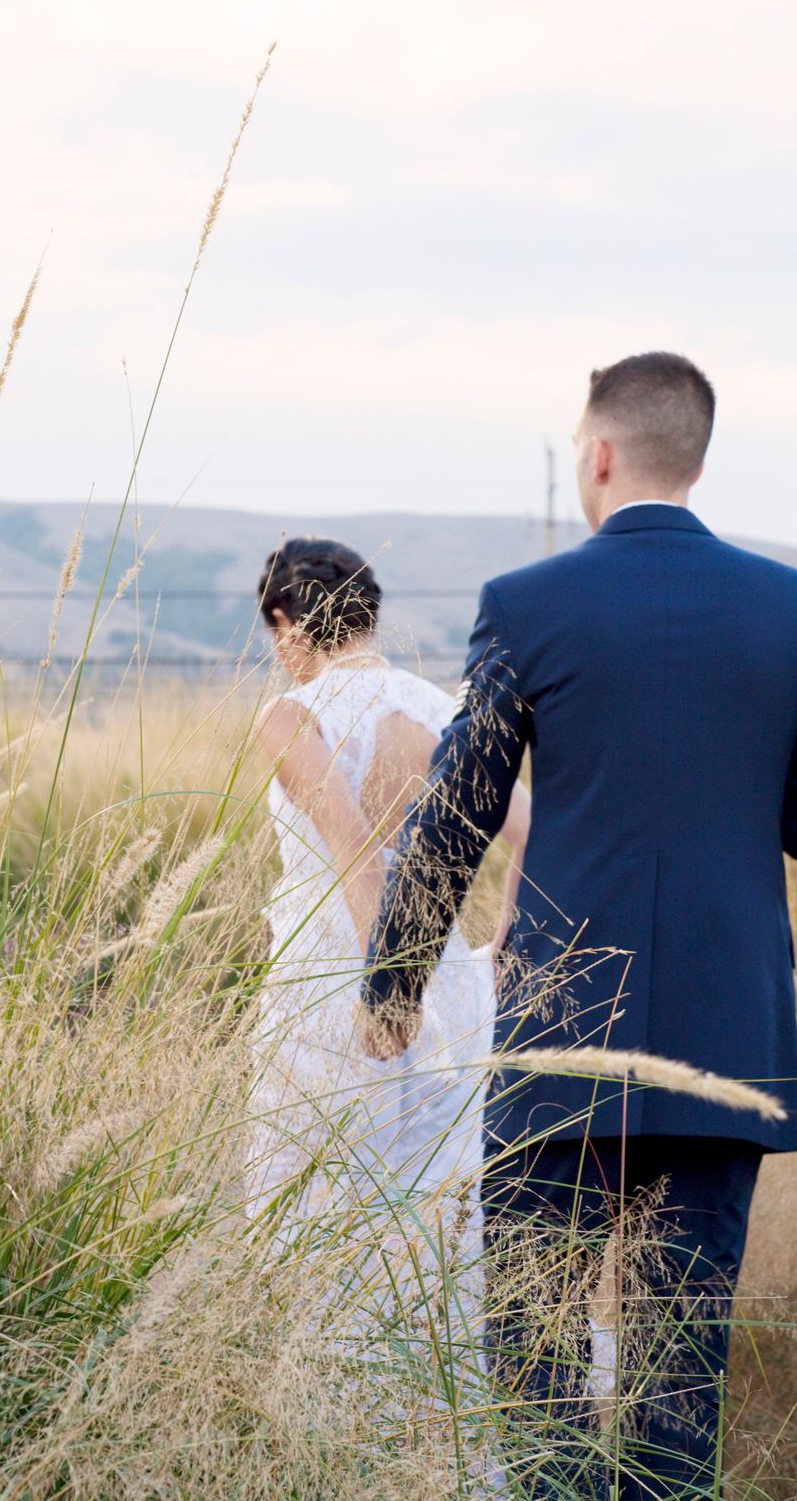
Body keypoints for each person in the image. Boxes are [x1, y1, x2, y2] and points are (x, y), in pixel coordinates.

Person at [360, 352, 797, 1498]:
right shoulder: (786, 610)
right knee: (675, 1369)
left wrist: (392, 982)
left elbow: (453, 813)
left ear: (597, 455)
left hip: (565, 1038)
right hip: (721, 1051)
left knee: (539, 1358)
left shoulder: (527, 604)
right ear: (692, 459)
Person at [247, 537, 528, 1360]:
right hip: (450, 989)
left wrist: (388, 991)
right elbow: (533, 834)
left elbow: (352, 852)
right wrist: (504, 943)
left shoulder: (290, 715)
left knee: (325, 1216)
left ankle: (335, 1429)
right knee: (436, 1222)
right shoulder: (442, 710)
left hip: (343, 997)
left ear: (282, 622)